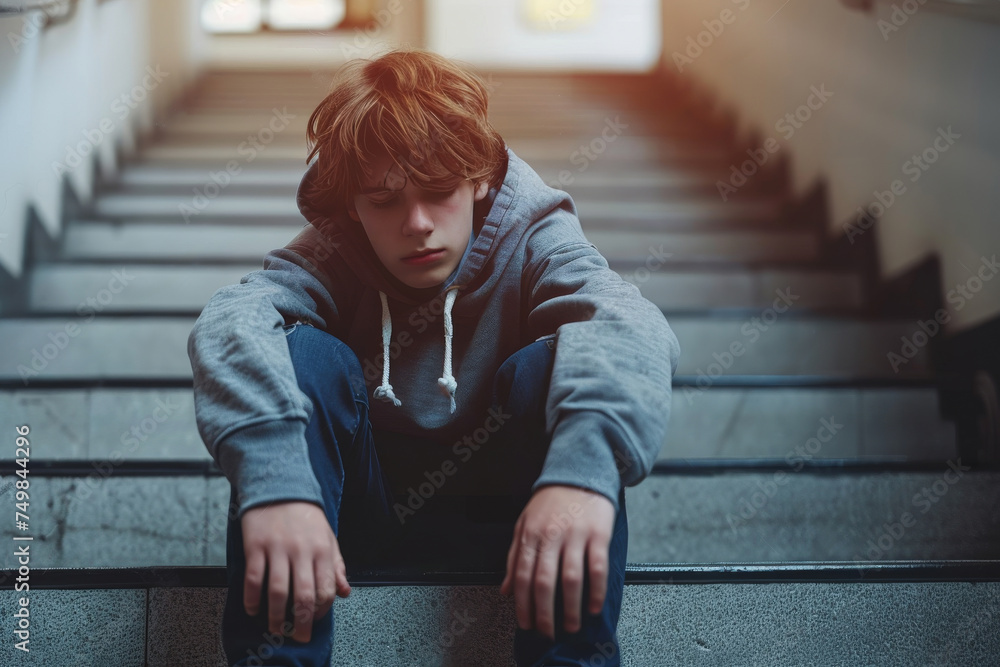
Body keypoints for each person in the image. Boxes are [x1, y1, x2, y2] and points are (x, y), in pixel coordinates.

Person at [187, 47, 680, 667]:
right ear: (354, 205)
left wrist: (582, 474)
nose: (416, 223)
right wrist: (277, 483)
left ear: (479, 178)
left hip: (517, 520)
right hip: (353, 519)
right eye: (384, 201)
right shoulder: (335, 250)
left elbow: (623, 320)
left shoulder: (535, 234)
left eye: (439, 191)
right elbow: (233, 320)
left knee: (553, 366)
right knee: (303, 356)